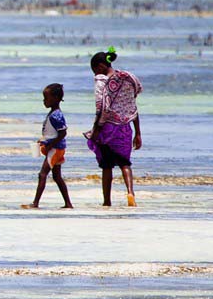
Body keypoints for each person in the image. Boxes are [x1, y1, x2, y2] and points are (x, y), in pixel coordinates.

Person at [84, 48, 142, 206]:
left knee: (107, 166)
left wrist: (96, 129)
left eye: (95, 70)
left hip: (108, 129)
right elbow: (133, 107)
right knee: (125, 163)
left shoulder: (102, 82)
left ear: (101, 66)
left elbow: (100, 107)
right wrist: (138, 133)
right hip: (125, 128)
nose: (95, 74)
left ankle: (107, 201)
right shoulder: (127, 78)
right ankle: (130, 193)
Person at [22, 83, 72, 209]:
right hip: (56, 148)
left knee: (42, 174)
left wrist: (50, 144)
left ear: (56, 98)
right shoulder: (53, 113)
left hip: (55, 149)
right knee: (57, 177)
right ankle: (68, 203)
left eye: (46, 98)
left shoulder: (56, 115)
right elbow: (52, 132)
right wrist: (43, 140)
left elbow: (63, 132)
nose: (44, 101)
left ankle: (35, 203)